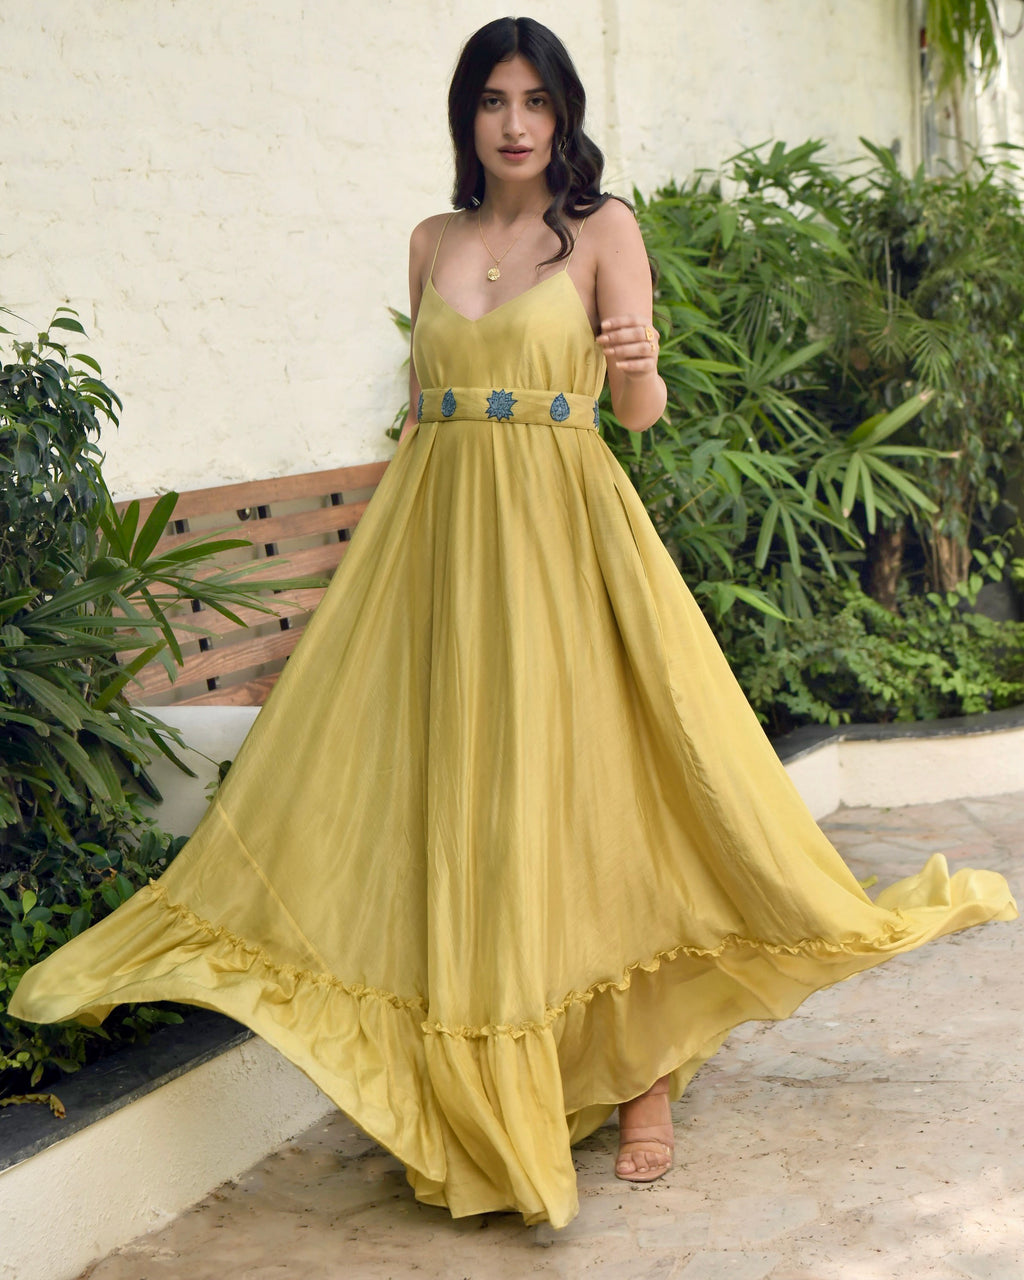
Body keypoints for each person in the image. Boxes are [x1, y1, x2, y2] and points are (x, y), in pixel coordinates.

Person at [9, 17, 1017, 1230]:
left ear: (563, 114)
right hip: (442, 549)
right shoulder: (429, 241)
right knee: (469, 804)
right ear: (466, 117)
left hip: (562, 539)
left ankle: (643, 1081)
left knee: (600, 795)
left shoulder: (603, 230)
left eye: (536, 99)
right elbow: (421, 412)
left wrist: (637, 360)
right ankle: (497, 1067)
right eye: (493, 99)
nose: (515, 121)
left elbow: (637, 413)